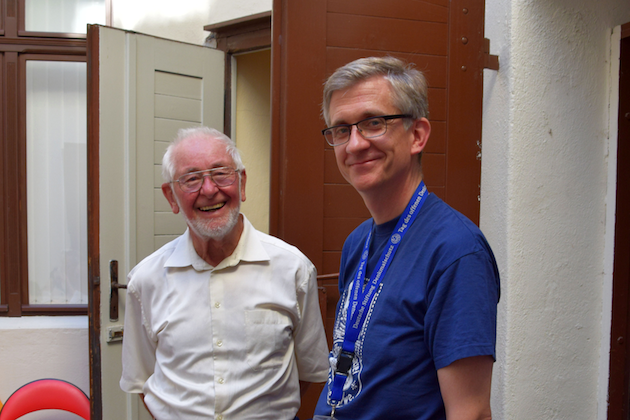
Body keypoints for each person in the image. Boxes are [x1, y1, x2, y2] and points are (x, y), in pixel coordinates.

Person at [313, 57, 500, 420]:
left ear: (417, 135)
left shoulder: (456, 251)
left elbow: (471, 412)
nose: (354, 144)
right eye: (340, 129)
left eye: (373, 123)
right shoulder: (357, 243)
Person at [120, 126, 329, 420]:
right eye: (191, 179)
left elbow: (309, 371)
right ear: (171, 196)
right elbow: (143, 381)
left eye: (221, 173)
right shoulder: (146, 280)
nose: (209, 190)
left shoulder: (293, 269)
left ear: (241, 183)